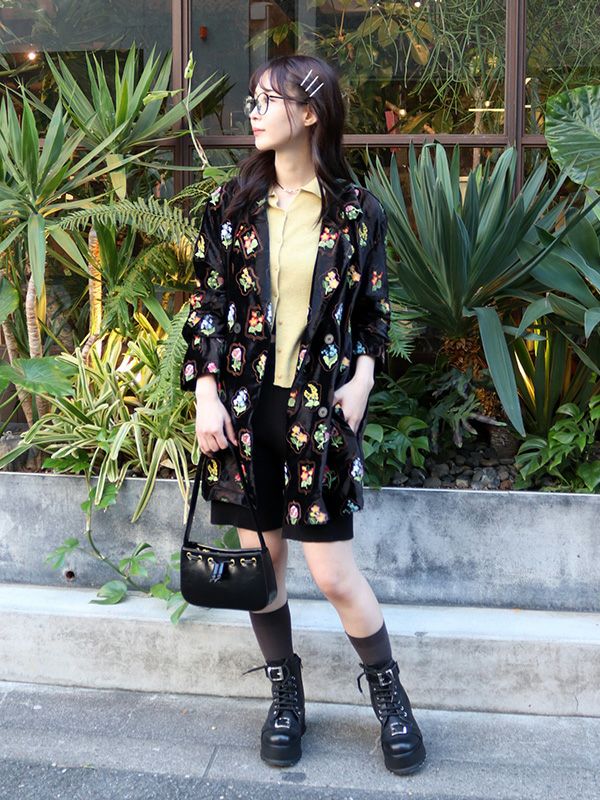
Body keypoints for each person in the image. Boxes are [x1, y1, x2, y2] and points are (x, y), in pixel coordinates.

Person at [180, 54, 426, 776]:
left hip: (318, 413)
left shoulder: (357, 212)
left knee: (335, 574)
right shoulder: (230, 207)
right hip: (244, 409)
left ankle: (391, 699)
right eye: (252, 101)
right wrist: (204, 392)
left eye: (268, 100)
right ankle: (285, 698)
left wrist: (364, 380)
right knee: (265, 568)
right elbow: (207, 305)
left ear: (310, 113)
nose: (254, 112)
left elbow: (374, 312)